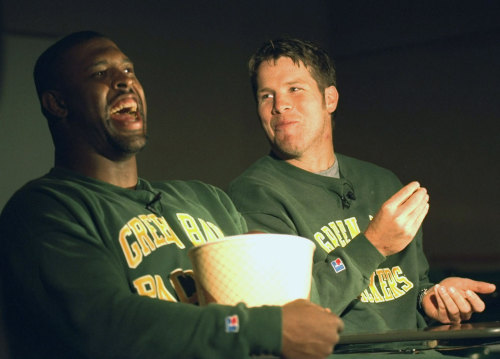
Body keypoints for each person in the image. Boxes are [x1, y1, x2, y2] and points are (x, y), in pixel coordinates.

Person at [0, 31, 344, 359]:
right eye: (100, 72)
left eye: (129, 70)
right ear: (57, 103)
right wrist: (261, 327)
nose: (124, 81)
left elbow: (289, 313)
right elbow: (106, 325)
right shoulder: (44, 211)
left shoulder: (206, 200)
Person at [228, 38, 496, 347]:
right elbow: (286, 314)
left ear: (330, 99)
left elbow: (414, 284)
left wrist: (430, 299)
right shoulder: (254, 194)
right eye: (266, 95)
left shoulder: (382, 182)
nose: (280, 105)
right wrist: (373, 244)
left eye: (294, 89)